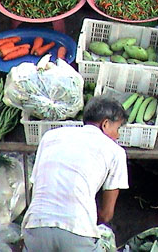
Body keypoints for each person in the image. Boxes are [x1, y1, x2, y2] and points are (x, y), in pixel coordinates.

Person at [22, 96, 129, 252]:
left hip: (36, 226)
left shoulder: (50, 137)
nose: (117, 135)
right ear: (105, 124)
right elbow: (106, 215)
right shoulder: (115, 151)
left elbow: (36, 184)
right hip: (77, 229)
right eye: (117, 129)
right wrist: (89, 224)